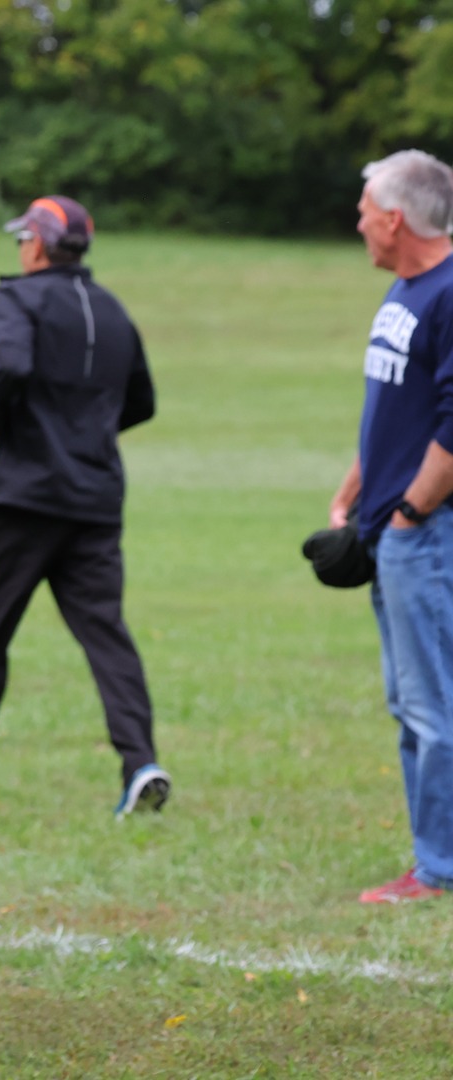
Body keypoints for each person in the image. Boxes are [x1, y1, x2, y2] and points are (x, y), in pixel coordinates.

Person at [0, 194, 165, 818]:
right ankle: (141, 765)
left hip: (25, 497)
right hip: (96, 498)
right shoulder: (113, 310)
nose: (21, 247)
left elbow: (14, 366)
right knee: (107, 634)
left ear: (41, 245)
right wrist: (84, 432)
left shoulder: (13, 300)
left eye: (25, 237)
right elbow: (142, 402)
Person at [331, 150, 453, 904]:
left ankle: (438, 868)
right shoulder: (407, 290)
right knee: (411, 702)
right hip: (394, 530)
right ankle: (432, 856)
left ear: (396, 219)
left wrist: (410, 514)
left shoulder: (449, 294)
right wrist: (356, 492)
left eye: (366, 211)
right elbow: (395, 410)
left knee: (435, 707)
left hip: (427, 535)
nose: (359, 223)